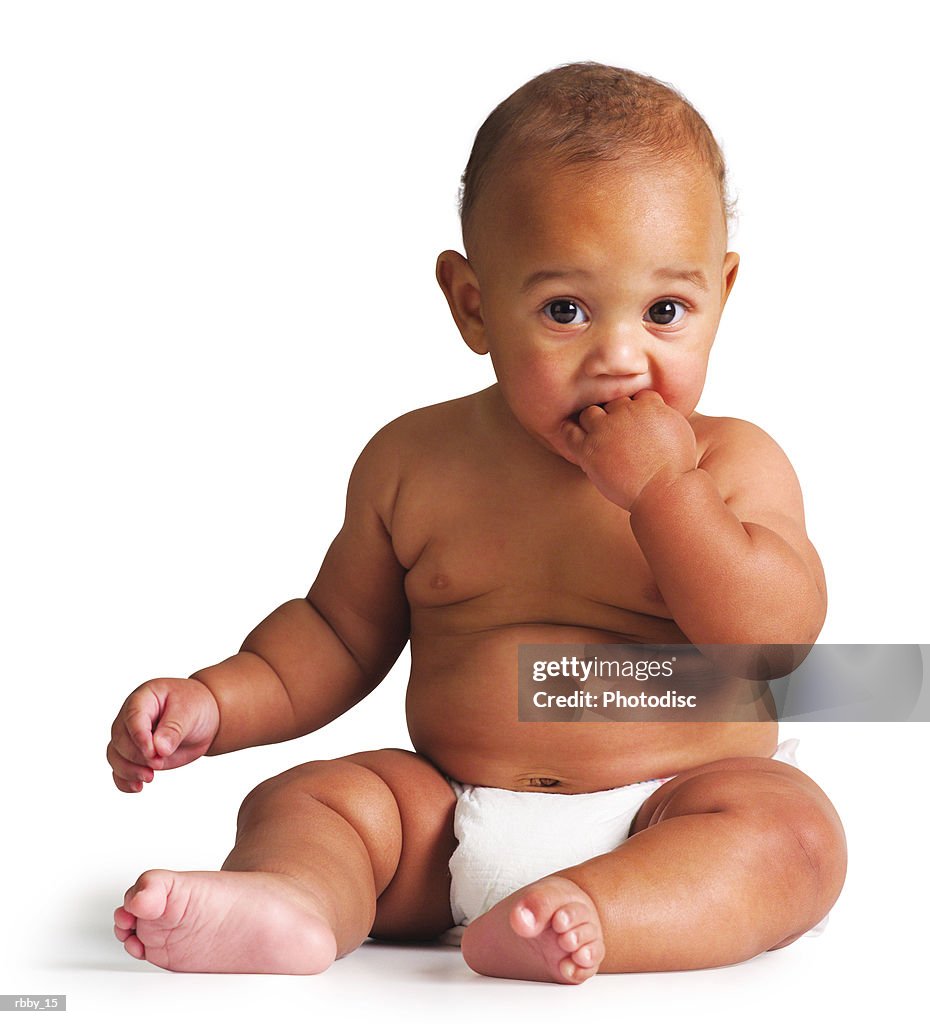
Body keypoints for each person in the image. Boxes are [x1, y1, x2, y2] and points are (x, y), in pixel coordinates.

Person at [108, 62, 846, 984]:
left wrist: (667, 493)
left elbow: (772, 645)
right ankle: (296, 900)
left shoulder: (732, 464)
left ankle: (599, 915)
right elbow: (337, 633)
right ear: (473, 304)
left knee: (794, 834)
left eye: (665, 311)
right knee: (315, 800)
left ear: (721, 295)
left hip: (673, 811)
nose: (621, 358)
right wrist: (218, 701)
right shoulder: (415, 463)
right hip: (450, 819)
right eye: (565, 311)